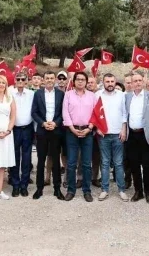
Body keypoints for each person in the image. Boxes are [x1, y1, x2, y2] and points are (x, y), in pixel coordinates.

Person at [124, 73, 149, 203]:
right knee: (134, 164)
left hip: (146, 135)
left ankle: (148, 192)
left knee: (147, 164)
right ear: (131, 83)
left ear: (143, 82)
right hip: (132, 135)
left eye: (140, 80)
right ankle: (138, 191)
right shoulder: (127, 97)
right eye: (135, 81)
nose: (138, 83)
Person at [62, 71, 97, 202]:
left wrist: (89, 128)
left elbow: (95, 113)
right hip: (72, 132)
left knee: (87, 163)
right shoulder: (68, 95)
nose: (80, 81)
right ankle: (71, 190)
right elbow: (65, 113)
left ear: (86, 82)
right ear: (74, 81)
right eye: (78, 79)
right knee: (71, 163)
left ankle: (87, 191)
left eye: (83, 79)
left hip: (88, 132)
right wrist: (72, 128)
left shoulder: (92, 96)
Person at [31, 71, 65, 200]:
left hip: (56, 131)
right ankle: (39, 188)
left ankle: (57, 188)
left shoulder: (61, 94)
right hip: (42, 130)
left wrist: (56, 123)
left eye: (52, 78)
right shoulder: (38, 94)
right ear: (43, 80)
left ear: (55, 79)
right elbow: (34, 112)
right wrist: (43, 123)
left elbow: (63, 112)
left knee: (56, 160)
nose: (49, 80)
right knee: (41, 160)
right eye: (47, 78)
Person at [96, 73, 129, 202]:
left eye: (112, 81)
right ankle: (104, 190)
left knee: (119, 163)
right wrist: (97, 128)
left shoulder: (122, 95)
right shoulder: (97, 95)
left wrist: (124, 129)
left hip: (118, 133)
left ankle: (121, 190)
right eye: (107, 81)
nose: (110, 84)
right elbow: (95, 113)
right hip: (103, 134)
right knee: (104, 163)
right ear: (103, 82)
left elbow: (124, 114)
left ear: (115, 82)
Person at [10, 73, 34, 197]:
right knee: (14, 157)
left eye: (22, 79)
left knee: (26, 157)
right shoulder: (9, 93)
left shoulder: (31, 94)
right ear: (14, 80)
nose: (20, 81)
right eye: (18, 79)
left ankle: (24, 185)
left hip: (28, 129)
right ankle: (15, 184)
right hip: (14, 129)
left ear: (26, 81)